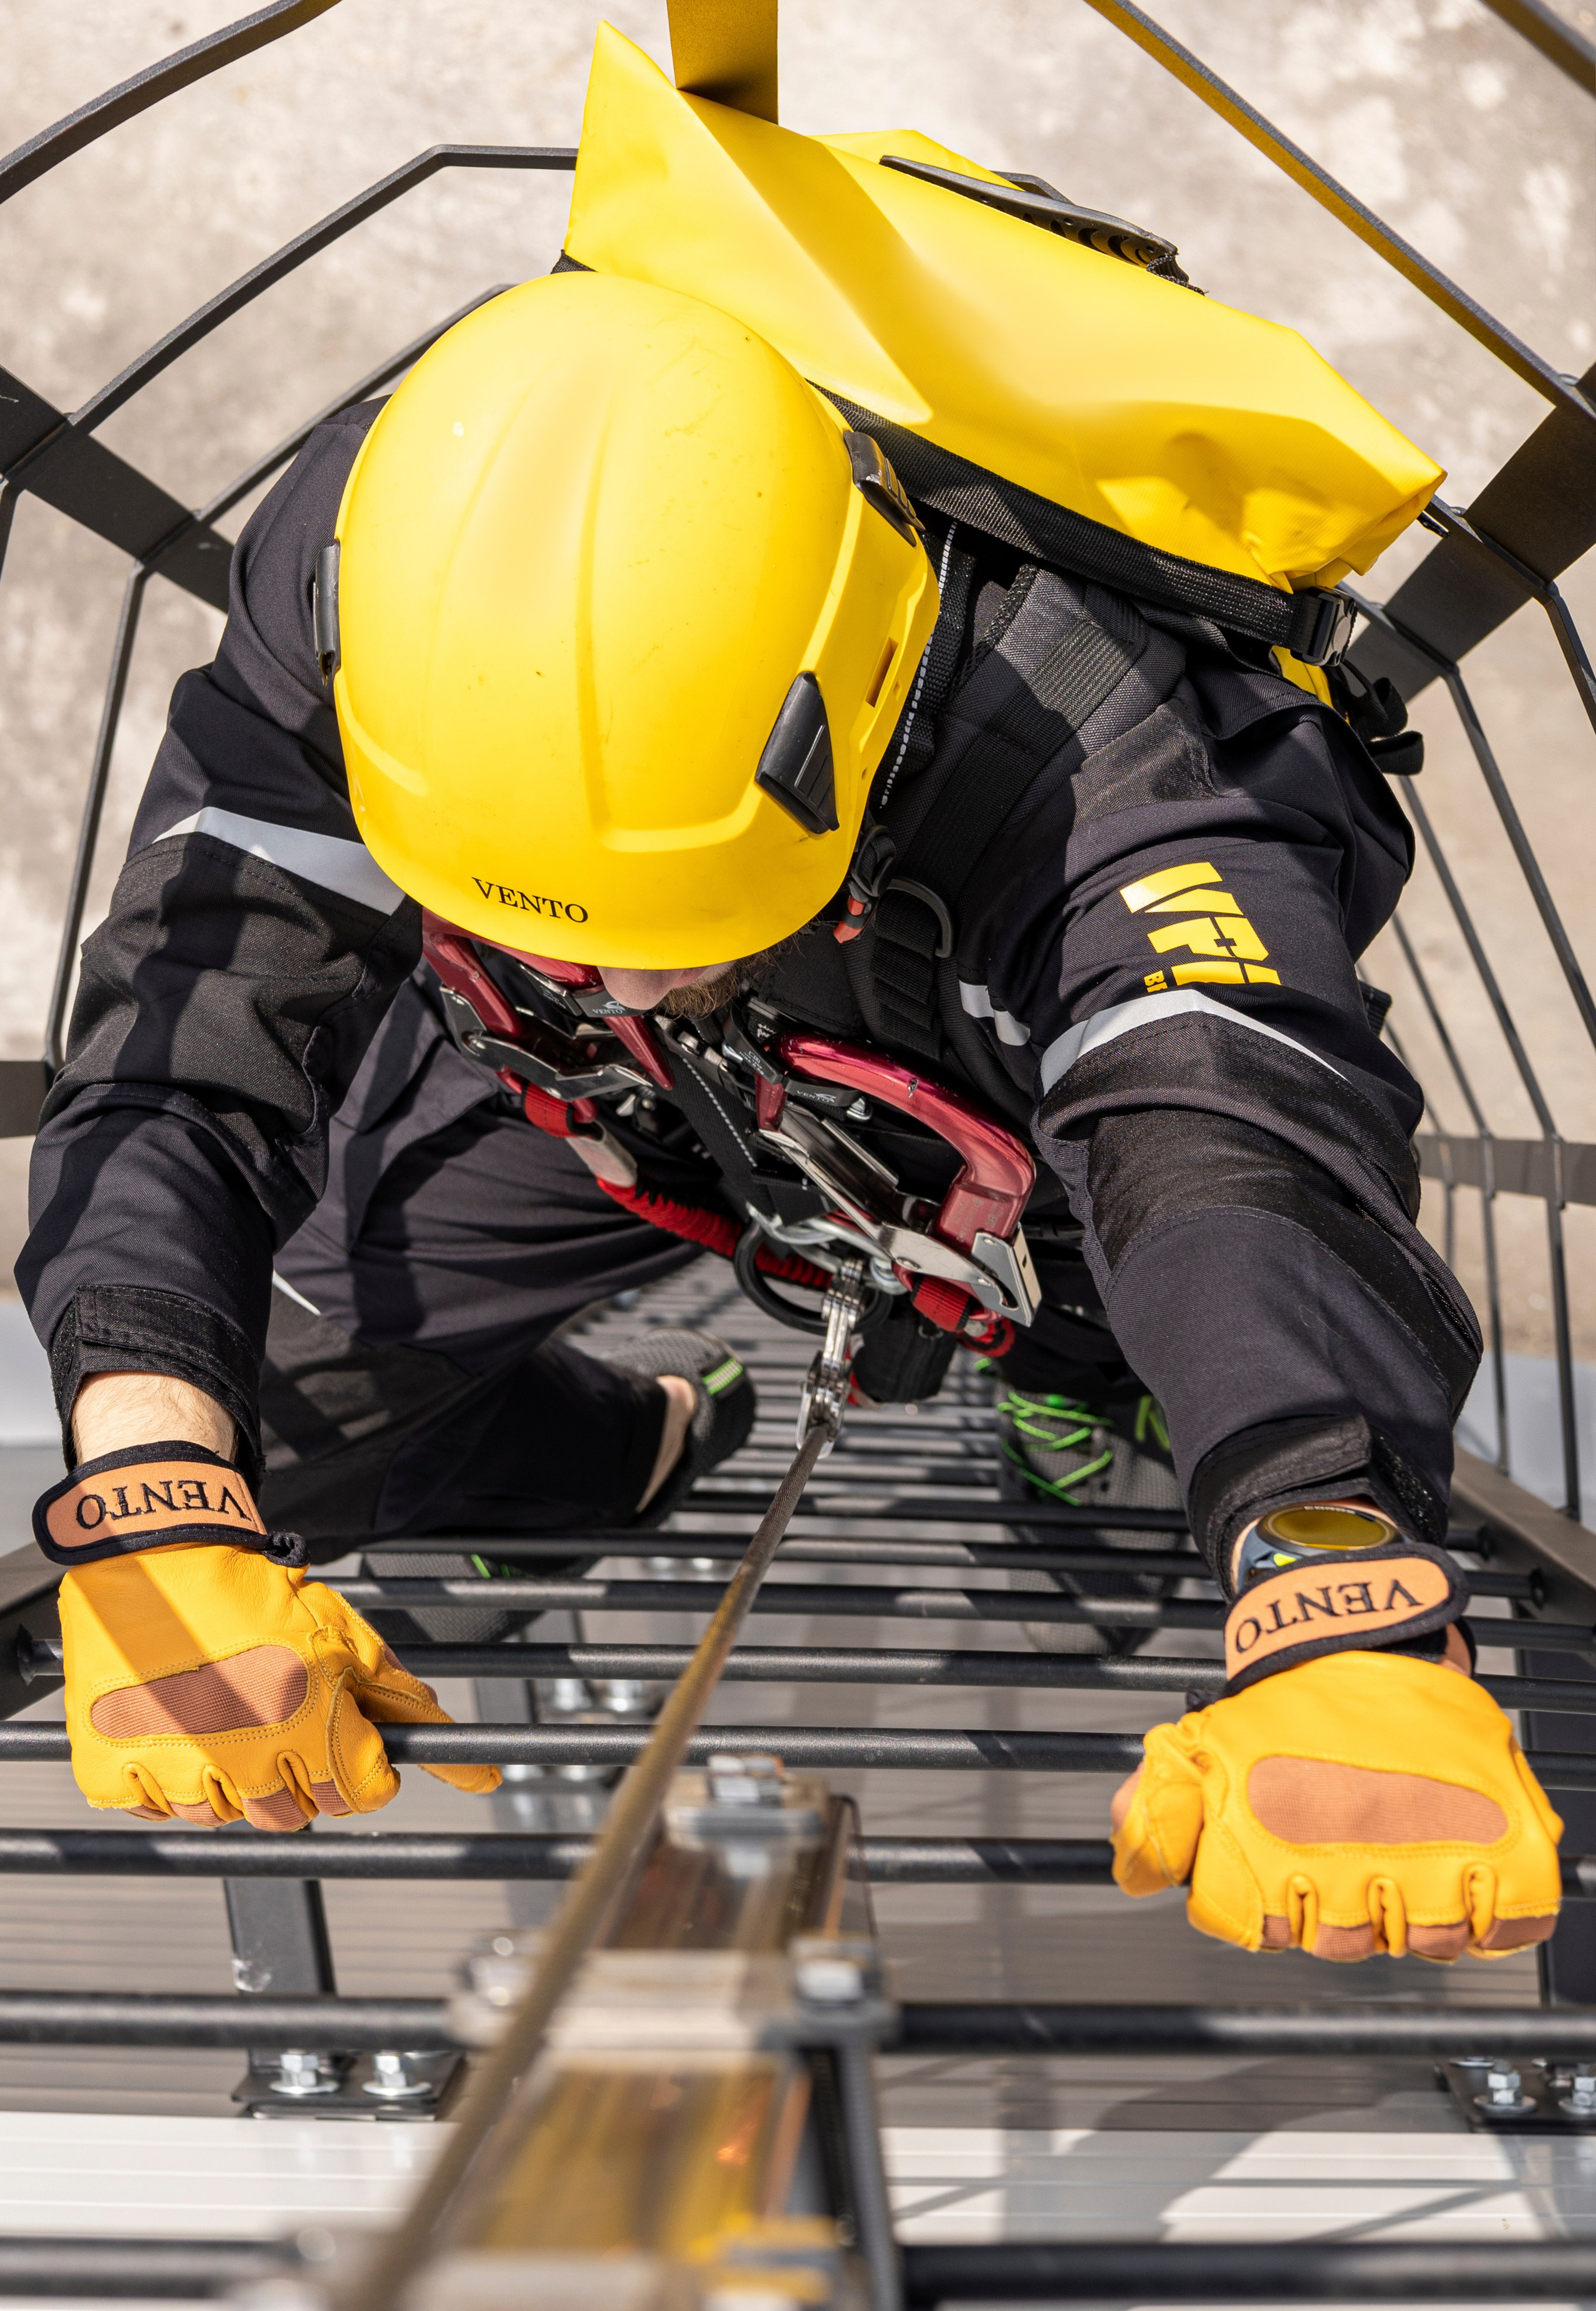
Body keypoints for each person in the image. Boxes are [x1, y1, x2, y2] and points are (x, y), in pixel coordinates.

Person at [21, 261, 1562, 1959]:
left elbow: (1229, 1141)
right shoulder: (379, 581)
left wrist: (1327, 1577)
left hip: (989, 1130)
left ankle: (1070, 1381)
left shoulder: (1124, 768)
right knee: (265, 1405)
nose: (598, 967)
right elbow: (193, 1016)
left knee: (1165, 1327)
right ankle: (630, 1448)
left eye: (643, 934)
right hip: (590, 1091)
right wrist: (156, 1479)